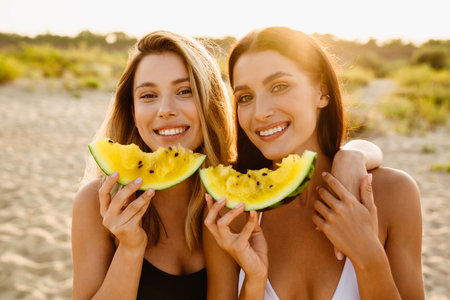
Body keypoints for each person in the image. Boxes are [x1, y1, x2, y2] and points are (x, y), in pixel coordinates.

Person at [204, 27, 424, 300]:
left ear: (321, 91)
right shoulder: (230, 212)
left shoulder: (394, 194)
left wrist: (368, 256)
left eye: (279, 86)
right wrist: (254, 280)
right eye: (245, 98)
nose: (260, 113)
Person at [71, 30, 236, 299]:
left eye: (185, 91)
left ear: (211, 102)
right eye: (148, 95)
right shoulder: (95, 203)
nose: (165, 109)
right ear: (133, 111)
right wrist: (130, 248)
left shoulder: (234, 197)